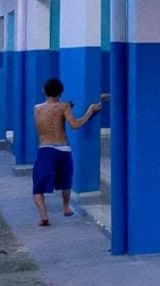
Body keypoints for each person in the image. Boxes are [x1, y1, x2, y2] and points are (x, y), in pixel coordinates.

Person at [31, 79, 102, 226]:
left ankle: (43, 216)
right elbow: (75, 125)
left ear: (44, 90)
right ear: (61, 92)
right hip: (63, 148)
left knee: (38, 185)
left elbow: (47, 119)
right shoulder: (64, 106)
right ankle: (66, 208)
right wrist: (90, 111)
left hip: (45, 148)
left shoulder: (36, 108)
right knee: (66, 182)